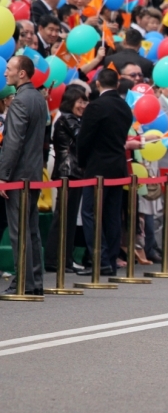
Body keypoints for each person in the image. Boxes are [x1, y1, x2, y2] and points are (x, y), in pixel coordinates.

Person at [76, 69, 134, 276]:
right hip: (118, 166)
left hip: (97, 167)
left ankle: (99, 260)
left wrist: (82, 162)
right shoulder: (125, 107)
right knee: (112, 215)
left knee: (90, 212)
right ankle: (110, 260)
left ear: (98, 83)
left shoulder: (96, 106)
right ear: (117, 85)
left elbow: (84, 139)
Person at [0, 56, 48, 295]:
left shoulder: (19, 101)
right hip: (34, 171)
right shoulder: (39, 98)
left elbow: (13, 142)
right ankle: (35, 281)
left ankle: (24, 283)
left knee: (19, 231)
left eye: (9, 69)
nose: (5, 72)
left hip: (19, 175)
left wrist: (3, 175)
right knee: (31, 229)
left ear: (22, 74)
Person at [45, 87, 89, 272]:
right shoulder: (67, 118)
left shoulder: (72, 118)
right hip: (68, 171)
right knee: (63, 217)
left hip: (73, 172)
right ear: (70, 101)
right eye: (79, 101)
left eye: (84, 102)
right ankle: (55, 259)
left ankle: (65, 258)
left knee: (68, 218)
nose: (83, 105)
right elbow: (82, 138)